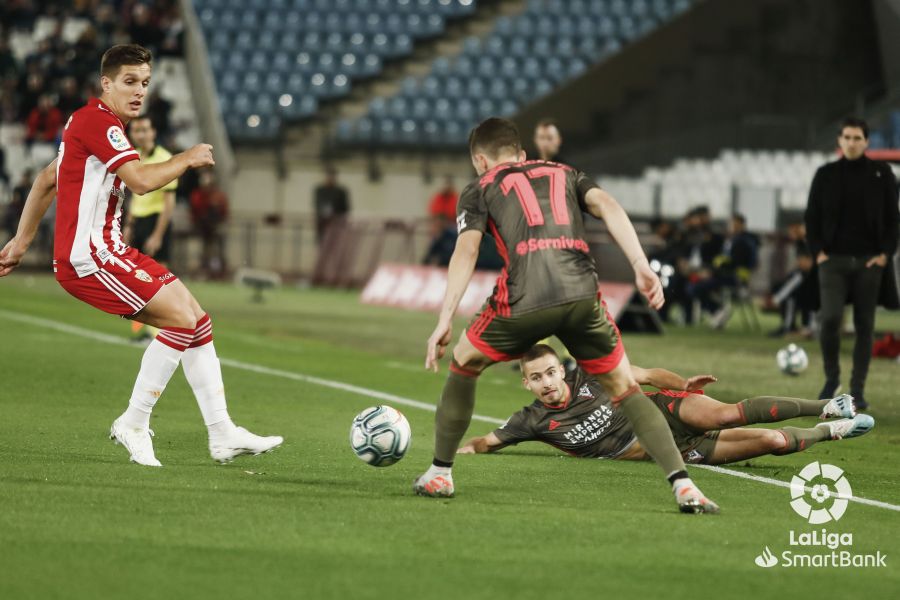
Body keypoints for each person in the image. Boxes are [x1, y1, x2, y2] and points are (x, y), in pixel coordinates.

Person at [418, 117, 719, 513]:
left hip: (525, 297)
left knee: (464, 360)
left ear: (479, 160)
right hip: (582, 295)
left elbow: (467, 251)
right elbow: (608, 205)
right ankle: (683, 486)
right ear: (522, 155)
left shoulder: (479, 188)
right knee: (626, 388)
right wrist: (640, 263)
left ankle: (440, 472)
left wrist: (445, 318)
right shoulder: (565, 172)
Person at [0, 44, 281, 467]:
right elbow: (141, 182)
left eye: (145, 83)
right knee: (180, 321)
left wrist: (21, 241)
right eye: (130, 82)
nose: (139, 92)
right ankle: (134, 421)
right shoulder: (98, 122)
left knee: (197, 319)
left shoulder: (91, 124)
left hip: (113, 251)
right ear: (106, 83)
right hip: (90, 259)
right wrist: (186, 159)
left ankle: (222, 433)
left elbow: (45, 180)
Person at [459, 345, 873, 462]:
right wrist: (452, 455)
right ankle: (829, 431)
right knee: (774, 443)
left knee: (726, 413)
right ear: (526, 384)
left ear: (560, 371)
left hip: (663, 408)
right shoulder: (529, 421)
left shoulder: (592, 374)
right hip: (674, 449)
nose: (547, 383)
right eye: (537, 378)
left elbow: (647, 375)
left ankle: (827, 406)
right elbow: (486, 442)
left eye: (551, 372)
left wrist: (684, 385)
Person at [805, 117, 899, 409]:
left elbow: (894, 220)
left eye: (857, 137)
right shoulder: (825, 174)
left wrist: (884, 254)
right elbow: (812, 217)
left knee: (864, 325)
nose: (852, 142)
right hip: (832, 261)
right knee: (830, 318)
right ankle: (831, 379)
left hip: (868, 263)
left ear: (867, 141)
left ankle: (857, 389)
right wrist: (818, 252)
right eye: (847, 137)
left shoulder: (882, 173)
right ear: (839, 140)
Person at [124, 115, 177, 340]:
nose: (141, 134)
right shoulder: (133, 158)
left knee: (160, 280)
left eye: (145, 130)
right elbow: (133, 197)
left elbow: (169, 203)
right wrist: (128, 225)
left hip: (156, 221)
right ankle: (149, 330)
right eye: (137, 130)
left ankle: (166, 331)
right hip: (138, 222)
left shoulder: (165, 159)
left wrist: (158, 234)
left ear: (153, 132)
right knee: (138, 279)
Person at [189, 169, 229, 277]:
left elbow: (224, 212)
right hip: (201, 227)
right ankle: (203, 270)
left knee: (216, 250)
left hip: (215, 227)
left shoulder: (218, 195)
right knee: (203, 250)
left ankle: (218, 272)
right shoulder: (197, 195)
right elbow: (194, 211)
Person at [313, 166, 350, 243]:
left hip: (336, 224)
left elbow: (345, 208)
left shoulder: (341, 191)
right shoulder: (319, 190)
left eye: (332, 176)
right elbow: (317, 205)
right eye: (328, 175)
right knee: (322, 245)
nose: (330, 178)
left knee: (335, 245)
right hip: (323, 224)